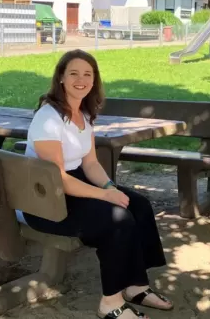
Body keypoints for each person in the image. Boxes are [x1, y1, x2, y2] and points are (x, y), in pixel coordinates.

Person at [22, 49, 173, 319]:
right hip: (44, 199)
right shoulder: (48, 118)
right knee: (117, 219)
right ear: (61, 78)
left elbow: (90, 163)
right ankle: (110, 303)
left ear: (94, 80)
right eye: (74, 73)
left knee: (138, 205)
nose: (81, 79)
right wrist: (105, 198)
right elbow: (57, 178)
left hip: (70, 184)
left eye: (87, 74)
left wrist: (110, 188)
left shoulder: (84, 114)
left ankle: (136, 286)